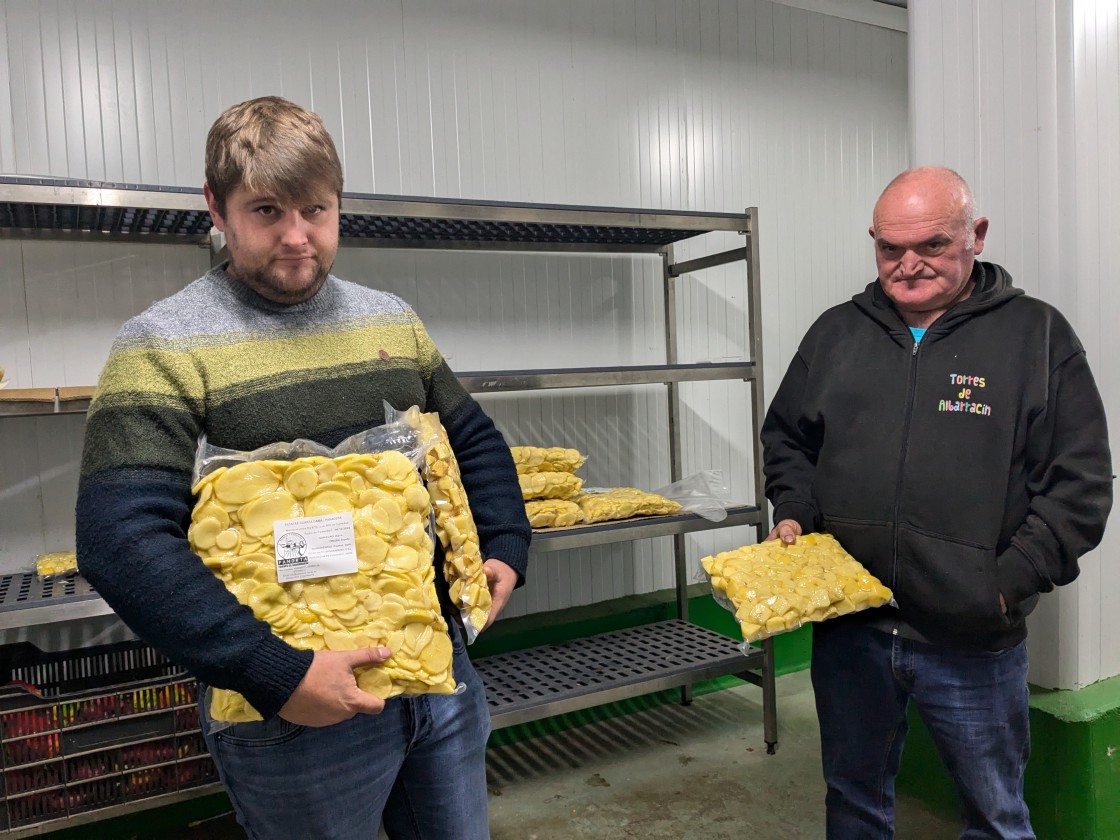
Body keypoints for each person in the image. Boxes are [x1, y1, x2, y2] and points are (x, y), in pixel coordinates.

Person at [76, 96, 531, 839]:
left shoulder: (389, 320)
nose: (297, 238)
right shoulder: (162, 345)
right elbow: (118, 537)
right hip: (291, 712)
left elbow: (472, 439)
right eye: (266, 212)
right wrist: (273, 673)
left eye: (316, 210)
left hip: (435, 680)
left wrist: (506, 542)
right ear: (216, 208)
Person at [760, 166, 1112, 839]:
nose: (909, 265)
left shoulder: (1035, 337)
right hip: (852, 630)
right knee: (854, 800)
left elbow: (1082, 482)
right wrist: (794, 510)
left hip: (971, 638)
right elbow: (788, 442)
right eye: (890, 249)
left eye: (931, 245)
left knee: (995, 815)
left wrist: (1003, 585)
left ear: (975, 236)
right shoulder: (836, 334)